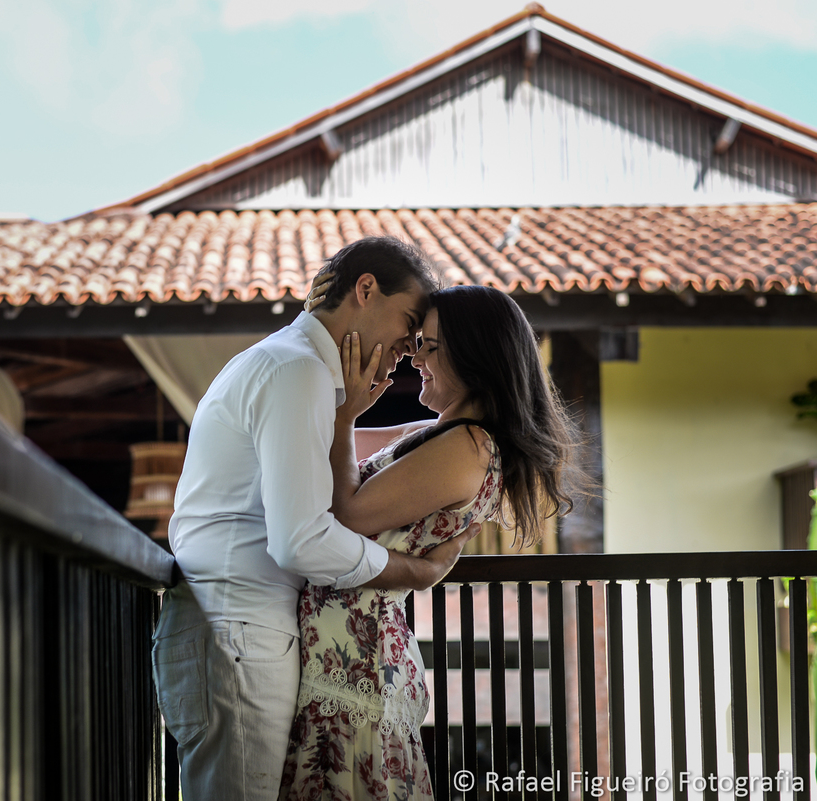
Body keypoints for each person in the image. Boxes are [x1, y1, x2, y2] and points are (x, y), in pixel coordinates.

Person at [153, 237, 481, 801]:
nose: (409, 347)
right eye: (407, 322)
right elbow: (301, 539)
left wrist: (344, 417)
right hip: (240, 631)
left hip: (235, 627)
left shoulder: (288, 365)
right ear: (365, 289)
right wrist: (410, 572)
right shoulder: (296, 370)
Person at [278, 284, 577, 800]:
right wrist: (337, 410)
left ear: (474, 356)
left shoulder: (466, 448)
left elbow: (348, 511)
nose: (415, 358)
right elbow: (331, 450)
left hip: (355, 660)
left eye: (428, 347)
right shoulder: (446, 435)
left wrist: (347, 414)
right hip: (350, 652)